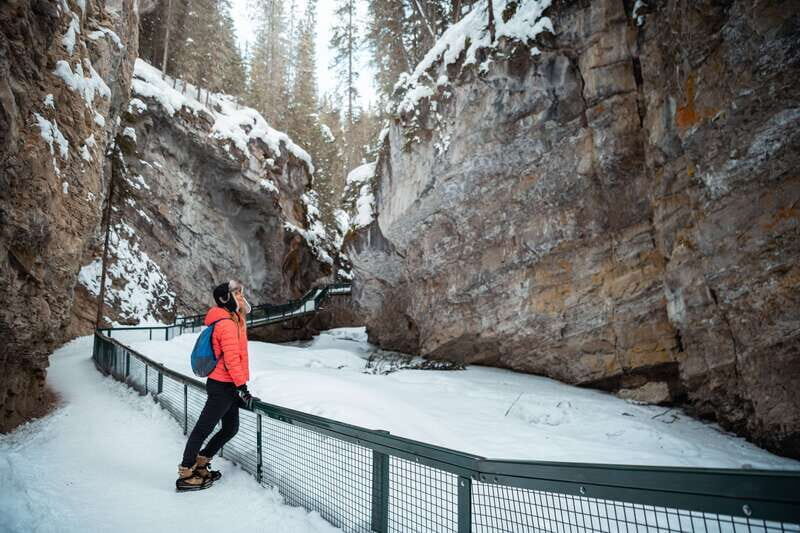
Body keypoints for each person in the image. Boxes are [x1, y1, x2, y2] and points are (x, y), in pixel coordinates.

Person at [175, 279, 259, 492]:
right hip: (222, 386)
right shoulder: (226, 324)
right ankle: (186, 471)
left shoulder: (235, 320)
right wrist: (243, 388)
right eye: (237, 294)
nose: (242, 298)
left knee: (230, 428)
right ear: (227, 298)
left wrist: (238, 386)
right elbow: (231, 360)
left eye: (242, 294)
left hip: (229, 385)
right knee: (203, 428)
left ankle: (202, 462)